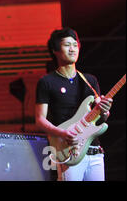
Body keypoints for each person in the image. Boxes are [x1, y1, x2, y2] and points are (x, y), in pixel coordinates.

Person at [35, 27, 112, 181]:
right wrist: (62, 133)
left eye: (75, 45)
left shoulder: (89, 81)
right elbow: (40, 120)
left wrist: (105, 111)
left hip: (95, 153)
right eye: (67, 45)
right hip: (68, 152)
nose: (72, 49)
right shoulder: (47, 82)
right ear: (55, 50)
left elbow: (101, 120)